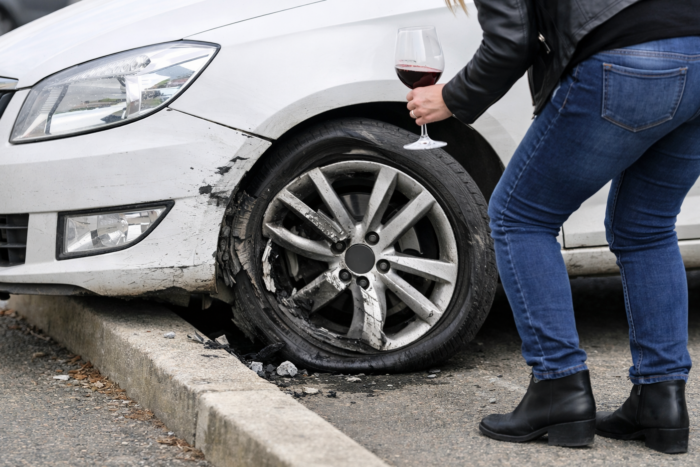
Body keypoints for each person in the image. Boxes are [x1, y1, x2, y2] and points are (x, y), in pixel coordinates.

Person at [407, 0, 700, 454]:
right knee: (647, 226)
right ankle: (661, 400)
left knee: (518, 217)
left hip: (627, 60)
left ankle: (559, 386)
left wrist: (451, 97)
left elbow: (511, 42)